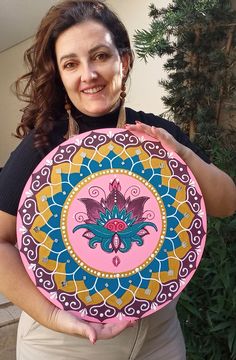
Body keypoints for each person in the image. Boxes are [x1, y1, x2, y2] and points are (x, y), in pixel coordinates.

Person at [0, 1, 235, 359]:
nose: (89, 74)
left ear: (123, 61)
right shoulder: (42, 145)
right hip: (64, 342)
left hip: (157, 335)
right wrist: (53, 316)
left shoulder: (158, 134)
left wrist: (183, 156)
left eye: (100, 56)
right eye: (71, 64)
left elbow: (226, 202)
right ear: (61, 75)